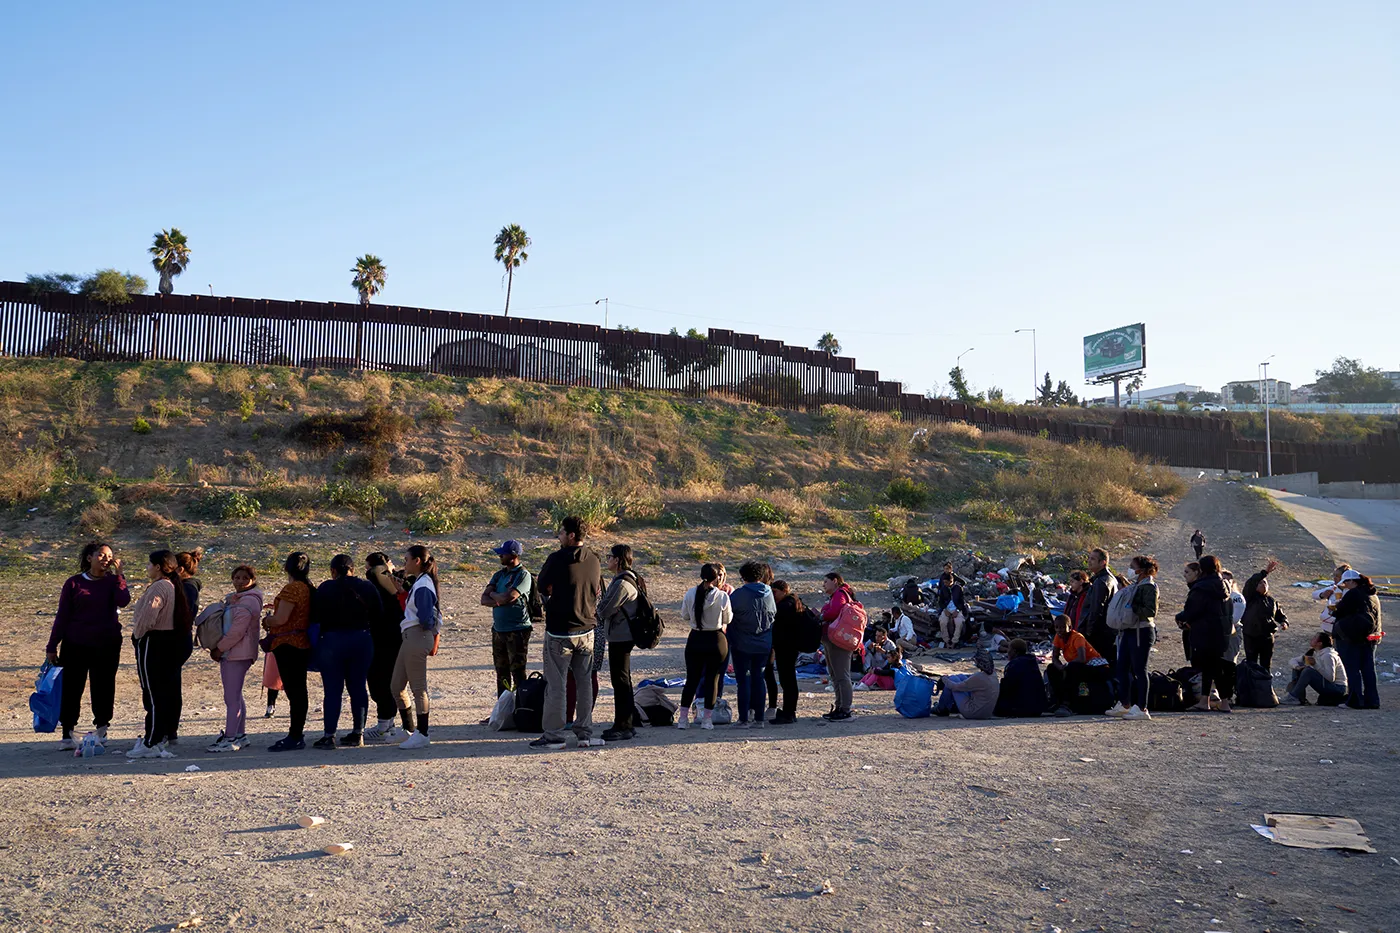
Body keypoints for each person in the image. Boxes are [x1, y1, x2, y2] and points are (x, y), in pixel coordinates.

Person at [46, 542, 131, 750]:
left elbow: (123, 601)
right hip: (76, 643)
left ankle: (102, 729)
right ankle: (67, 733)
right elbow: (62, 616)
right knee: (72, 687)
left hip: (107, 644)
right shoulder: (74, 583)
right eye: (101, 555)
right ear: (89, 558)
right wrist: (52, 645)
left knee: (103, 685)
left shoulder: (113, 581)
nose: (106, 559)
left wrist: (120, 575)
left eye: (109, 555)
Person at [528, 518, 602, 748]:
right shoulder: (594, 559)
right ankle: (584, 732)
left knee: (557, 684)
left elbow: (541, 586)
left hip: (560, 630)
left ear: (570, 535)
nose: (558, 536)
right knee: (584, 683)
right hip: (587, 629)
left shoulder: (557, 558)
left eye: (561, 532)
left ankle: (554, 734)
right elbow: (597, 589)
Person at [127, 550, 193, 758]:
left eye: (149, 564)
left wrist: (137, 636)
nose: (147, 568)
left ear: (157, 566)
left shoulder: (160, 586)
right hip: (165, 643)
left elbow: (147, 618)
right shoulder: (172, 585)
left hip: (153, 642)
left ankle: (152, 742)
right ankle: (155, 737)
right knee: (161, 692)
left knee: (153, 694)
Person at [313, 554, 382, 749]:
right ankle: (357, 733)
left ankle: (329, 736)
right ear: (353, 569)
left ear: (333, 571)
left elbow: (315, 615)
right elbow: (379, 614)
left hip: (332, 641)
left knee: (333, 690)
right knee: (358, 687)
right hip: (361, 639)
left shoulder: (326, 587)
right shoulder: (367, 587)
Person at [206, 566, 264, 753]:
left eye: (244, 578)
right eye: (236, 577)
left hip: (236, 653)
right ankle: (240, 735)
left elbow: (237, 631)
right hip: (237, 652)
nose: (239, 581)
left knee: (231, 698)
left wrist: (219, 648)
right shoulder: (240, 599)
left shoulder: (247, 602)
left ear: (252, 580)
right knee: (236, 695)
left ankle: (230, 738)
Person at [264, 552, 315, 752]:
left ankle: (295, 735)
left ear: (286, 568)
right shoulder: (308, 588)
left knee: (295, 692)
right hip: (301, 642)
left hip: (287, 643)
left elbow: (280, 619)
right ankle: (296, 733)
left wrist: (267, 620)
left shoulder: (293, 589)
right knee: (298, 691)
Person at [393, 544, 442, 749]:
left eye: (406, 559)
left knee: (418, 687)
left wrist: (426, 632)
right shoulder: (420, 582)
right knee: (396, 686)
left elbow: (425, 616)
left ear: (417, 561)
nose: (404, 563)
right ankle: (409, 729)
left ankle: (422, 733)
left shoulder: (423, 585)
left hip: (416, 635)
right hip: (411, 635)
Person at [677, 563, 733, 730]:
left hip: (696, 638)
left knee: (691, 680)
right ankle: (707, 719)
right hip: (716, 639)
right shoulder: (722, 596)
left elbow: (685, 616)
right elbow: (727, 619)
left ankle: (682, 718)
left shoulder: (690, 593)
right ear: (717, 578)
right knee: (713, 680)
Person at [596, 544, 642, 741]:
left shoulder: (622, 583)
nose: (608, 560)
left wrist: (601, 607)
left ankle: (623, 725)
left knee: (620, 681)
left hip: (621, 636)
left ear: (618, 559)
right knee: (623, 680)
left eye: (609, 557)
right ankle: (626, 723)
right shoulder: (632, 578)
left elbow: (604, 610)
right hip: (623, 635)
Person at [1176, 556, 1233, 712]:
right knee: (1213, 668)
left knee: (1211, 668)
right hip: (1221, 634)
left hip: (1204, 633)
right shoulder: (1226, 587)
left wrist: (1179, 618)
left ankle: (1218, 702)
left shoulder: (1201, 588)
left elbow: (1192, 611)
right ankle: (1210, 701)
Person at [1108, 555, 1159, 722]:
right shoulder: (1137, 585)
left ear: (1142, 570)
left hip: (1141, 631)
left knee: (1139, 670)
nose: (1130, 569)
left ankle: (1142, 708)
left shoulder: (1149, 587)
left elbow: (1150, 611)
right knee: (1122, 668)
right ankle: (1125, 704)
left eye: (1133, 566)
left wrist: (1132, 606)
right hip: (1130, 630)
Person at [480, 540, 533, 700]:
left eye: (503, 553)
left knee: (518, 672)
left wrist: (495, 596)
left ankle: (521, 709)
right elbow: (484, 599)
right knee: (501, 672)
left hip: (517, 630)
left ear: (514, 555)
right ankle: (503, 711)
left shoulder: (523, 575)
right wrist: (499, 599)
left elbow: (509, 597)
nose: (500, 555)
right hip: (499, 630)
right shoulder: (499, 574)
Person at [728, 561, 777, 728]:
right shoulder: (769, 593)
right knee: (759, 679)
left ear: (743, 577)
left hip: (742, 644)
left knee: (744, 681)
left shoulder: (738, 595)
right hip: (764, 644)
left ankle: (743, 718)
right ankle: (759, 719)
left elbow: (728, 616)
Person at [364, 553, 407, 742]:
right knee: (391, 681)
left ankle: (383, 726)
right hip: (397, 637)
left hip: (380, 639)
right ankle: (388, 723)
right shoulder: (399, 581)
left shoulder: (377, 584)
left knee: (379, 681)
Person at [1333, 570, 1382, 709]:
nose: (1345, 585)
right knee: (1368, 670)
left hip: (1353, 637)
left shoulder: (1354, 593)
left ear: (1353, 581)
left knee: (1352, 669)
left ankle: (1355, 700)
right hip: (1371, 637)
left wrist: (1335, 608)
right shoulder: (1372, 594)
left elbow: (1339, 612)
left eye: (1346, 582)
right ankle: (1372, 700)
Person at [1047, 614, 1110, 716]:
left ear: (1070, 628)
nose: (1060, 630)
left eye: (1063, 627)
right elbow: (1055, 657)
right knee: (1051, 668)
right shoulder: (1058, 637)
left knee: (1072, 669)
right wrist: (1059, 667)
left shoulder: (1077, 637)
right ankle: (1057, 700)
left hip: (1095, 666)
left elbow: (1082, 658)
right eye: (1057, 627)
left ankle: (1068, 703)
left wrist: (1066, 666)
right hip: (1078, 665)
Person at [819, 571, 859, 722]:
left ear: (835, 581)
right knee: (836, 675)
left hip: (838, 641)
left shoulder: (840, 594)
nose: (823, 585)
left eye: (825, 582)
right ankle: (839, 707)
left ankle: (845, 709)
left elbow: (835, 611)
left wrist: (822, 615)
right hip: (833, 640)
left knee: (841, 676)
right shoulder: (839, 595)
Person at [1240, 560, 1287, 670]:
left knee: (1266, 665)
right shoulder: (1249, 597)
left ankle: (1265, 685)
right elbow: (1251, 582)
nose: (1263, 584)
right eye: (1260, 583)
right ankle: (1251, 685)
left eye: (1265, 583)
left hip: (1267, 636)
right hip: (1251, 635)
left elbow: (1279, 614)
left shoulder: (1271, 600)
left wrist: (1284, 622)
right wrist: (1265, 572)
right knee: (1251, 664)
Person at [769, 580, 804, 724]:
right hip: (790, 647)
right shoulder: (794, 602)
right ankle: (789, 711)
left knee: (787, 680)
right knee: (788, 680)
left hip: (786, 647)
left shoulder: (785, 606)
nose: (773, 595)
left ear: (784, 590)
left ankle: (788, 712)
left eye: (775, 592)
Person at [1282, 632, 1348, 706]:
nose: (1312, 639)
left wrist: (1315, 665)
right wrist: (1297, 667)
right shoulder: (1314, 652)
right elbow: (1293, 660)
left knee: (1308, 671)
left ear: (1320, 643)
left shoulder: (1328, 656)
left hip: (1337, 689)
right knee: (1298, 668)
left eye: (1314, 638)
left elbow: (1330, 678)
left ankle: (1294, 697)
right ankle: (1298, 697)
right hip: (1328, 685)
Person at [934, 648, 1000, 719]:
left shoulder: (979, 677)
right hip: (986, 713)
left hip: (972, 712)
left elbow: (955, 687)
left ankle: (941, 708)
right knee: (961, 677)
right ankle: (946, 706)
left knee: (952, 679)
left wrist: (944, 679)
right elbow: (969, 679)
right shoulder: (993, 674)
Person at [1081, 548, 1119, 668]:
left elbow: (1096, 609)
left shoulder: (1102, 581)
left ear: (1102, 562)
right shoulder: (1104, 579)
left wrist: (1089, 632)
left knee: (1095, 667)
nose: (1089, 561)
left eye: (1093, 559)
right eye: (1089, 558)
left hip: (1099, 633)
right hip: (1105, 631)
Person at [994, 638, 1046, 718]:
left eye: (1009, 649)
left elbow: (1007, 687)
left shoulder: (1014, 665)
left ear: (1014, 651)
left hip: (1023, 707)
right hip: (1038, 707)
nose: (1008, 651)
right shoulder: (1032, 662)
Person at [1315, 563, 1351, 635]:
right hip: (1327, 626)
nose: (1334, 578)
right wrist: (1323, 595)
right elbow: (1314, 595)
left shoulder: (1351, 591)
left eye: (1337, 576)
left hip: (1340, 627)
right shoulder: (1333, 588)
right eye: (1334, 575)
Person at [937, 572, 968, 648]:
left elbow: (962, 601)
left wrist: (957, 610)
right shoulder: (943, 589)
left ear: (951, 581)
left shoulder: (958, 588)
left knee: (959, 622)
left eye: (946, 582)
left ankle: (954, 641)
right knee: (942, 622)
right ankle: (946, 641)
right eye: (944, 582)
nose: (945, 584)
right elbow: (940, 602)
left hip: (957, 609)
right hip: (946, 609)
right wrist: (945, 610)